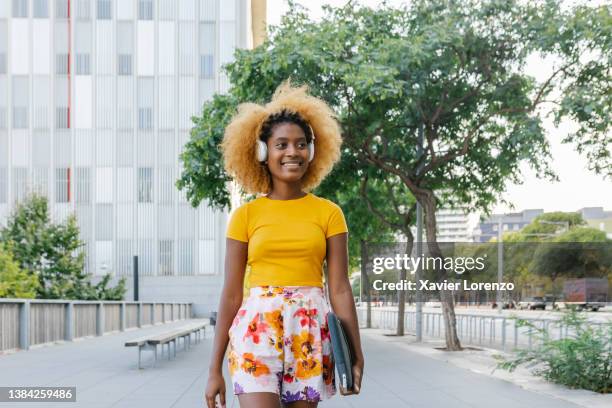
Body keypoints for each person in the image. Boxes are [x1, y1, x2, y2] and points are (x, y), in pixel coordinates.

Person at [205, 81, 364, 408]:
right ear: (263, 152)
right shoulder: (245, 216)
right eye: (281, 144)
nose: (292, 152)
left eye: (301, 144)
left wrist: (355, 355)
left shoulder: (329, 213)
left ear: (312, 151)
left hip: (309, 333)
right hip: (256, 333)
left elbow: (341, 289)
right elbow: (232, 293)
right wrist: (213, 369)